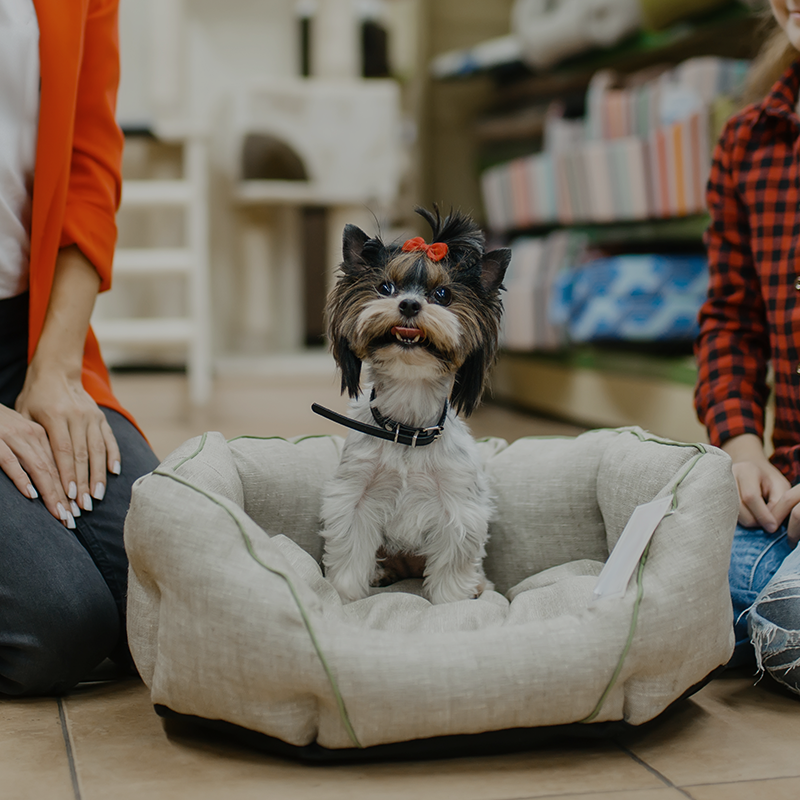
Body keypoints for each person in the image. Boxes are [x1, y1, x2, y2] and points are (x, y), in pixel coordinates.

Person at [0, 0, 159, 695]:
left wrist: (57, 369)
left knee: (166, 588)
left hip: (29, 342)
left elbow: (90, 169)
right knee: (56, 625)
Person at [695, 0, 800, 695]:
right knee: (648, 557)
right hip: (784, 508)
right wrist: (742, 451)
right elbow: (731, 319)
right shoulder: (747, 142)